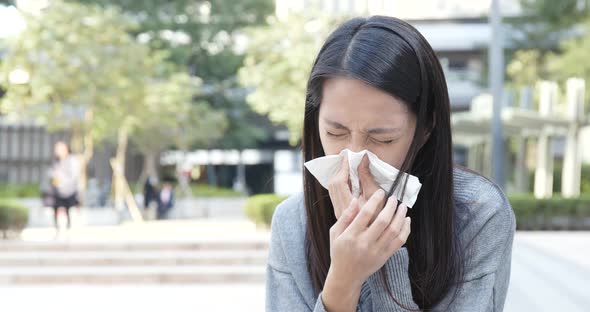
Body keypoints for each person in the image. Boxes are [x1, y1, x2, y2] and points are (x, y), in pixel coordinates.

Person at [266, 16, 516, 311]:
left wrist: (384, 260)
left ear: (425, 129)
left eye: (382, 139)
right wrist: (342, 282)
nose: (355, 158)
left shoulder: (477, 215)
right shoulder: (293, 224)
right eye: (335, 133)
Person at [48, 141, 79, 230]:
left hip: (69, 190)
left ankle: (69, 227)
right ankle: (57, 228)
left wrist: (62, 180)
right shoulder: (55, 161)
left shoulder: (72, 160)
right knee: (56, 208)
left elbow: (74, 176)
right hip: (57, 190)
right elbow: (51, 173)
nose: (57, 151)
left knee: (70, 210)